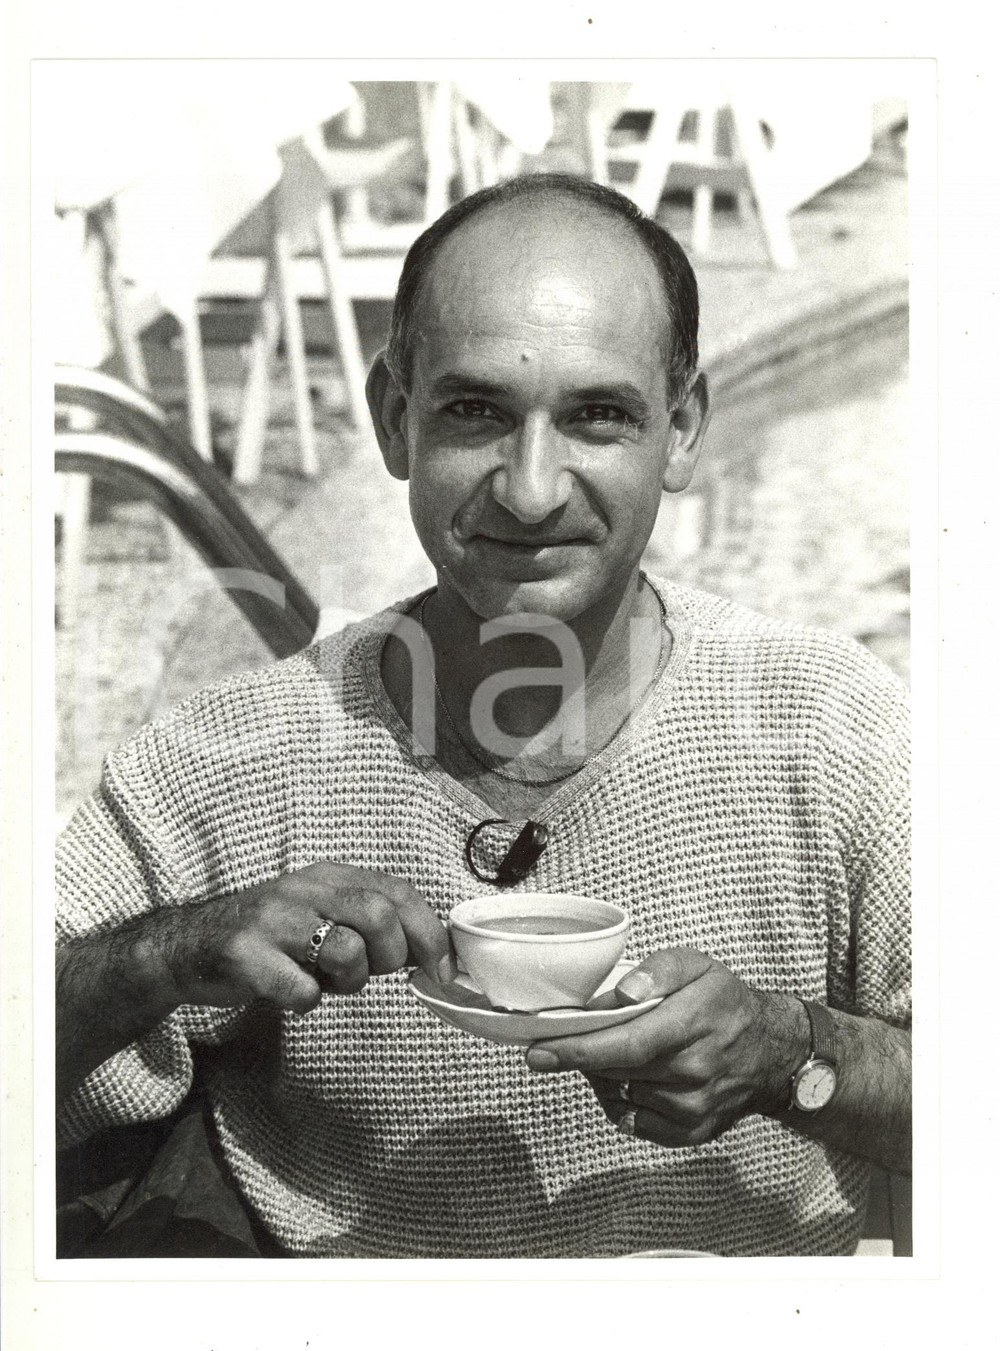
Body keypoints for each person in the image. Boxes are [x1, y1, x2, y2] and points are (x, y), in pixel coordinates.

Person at [55, 173, 910, 1259]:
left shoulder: (831, 727)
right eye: (476, 413)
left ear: (682, 430)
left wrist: (796, 1055)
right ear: (393, 421)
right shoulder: (225, 758)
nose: (532, 487)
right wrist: (165, 953)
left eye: (597, 415)